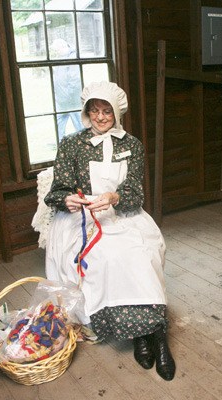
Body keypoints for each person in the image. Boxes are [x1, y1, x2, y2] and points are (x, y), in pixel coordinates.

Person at [43, 81, 176, 381]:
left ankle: (156, 337)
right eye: (95, 111)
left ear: (117, 113)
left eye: (107, 111)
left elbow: (135, 194)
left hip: (123, 214)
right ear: (87, 112)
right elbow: (55, 193)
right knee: (109, 258)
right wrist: (68, 199)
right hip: (86, 220)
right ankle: (138, 334)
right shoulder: (71, 145)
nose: (101, 117)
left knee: (143, 255)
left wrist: (115, 197)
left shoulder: (132, 145)